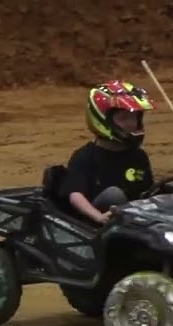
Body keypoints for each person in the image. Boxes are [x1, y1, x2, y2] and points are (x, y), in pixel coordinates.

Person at [61, 80, 156, 225]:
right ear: (102, 121)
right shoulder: (86, 156)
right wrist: (98, 217)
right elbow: (75, 195)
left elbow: (147, 193)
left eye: (135, 117)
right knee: (114, 195)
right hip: (96, 224)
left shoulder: (139, 156)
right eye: (124, 118)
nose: (132, 123)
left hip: (132, 221)